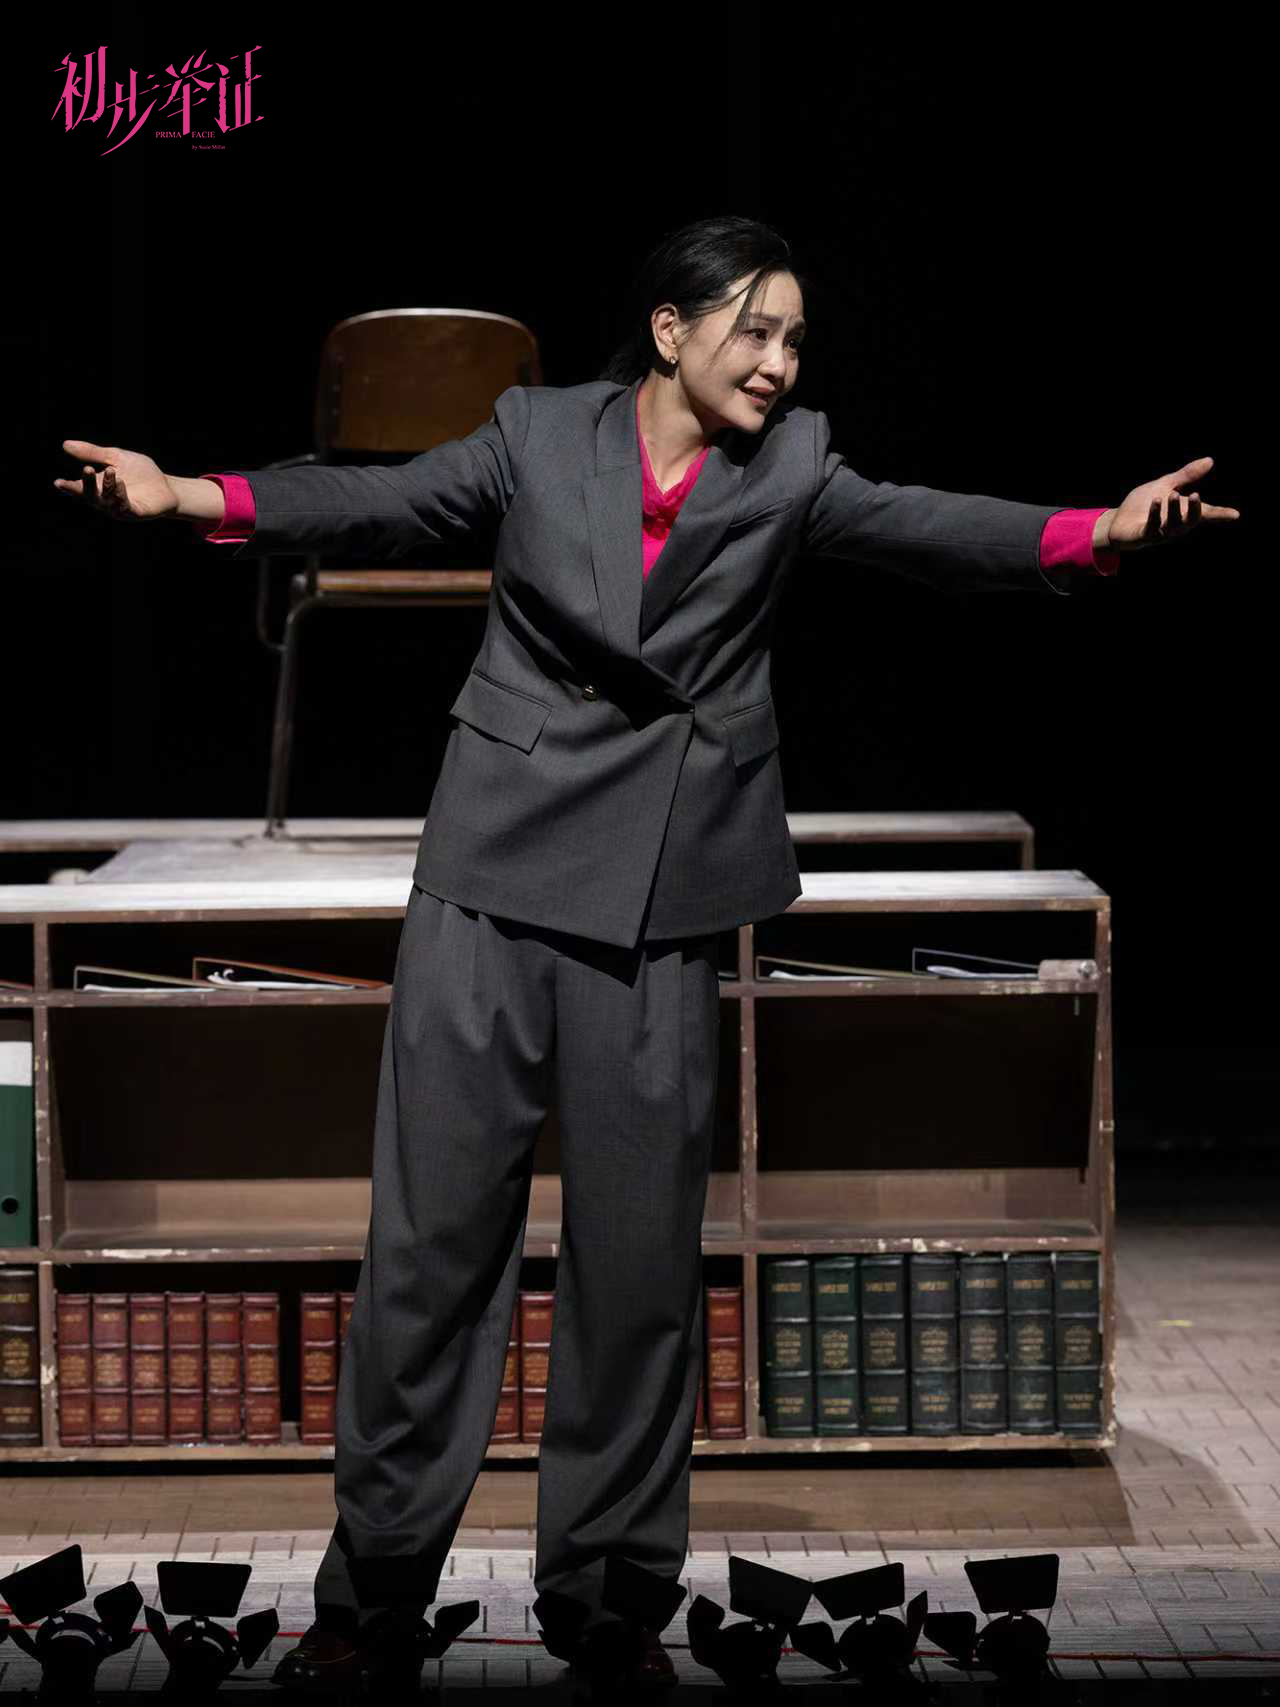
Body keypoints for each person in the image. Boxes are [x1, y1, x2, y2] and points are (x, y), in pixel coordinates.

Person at [53, 214, 1239, 1696]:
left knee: (637, 1270)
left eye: (796, 339)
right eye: (755, 330)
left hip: (664, 891)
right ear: (671, 332)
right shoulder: (539, 437)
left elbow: (931, 529)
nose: (780, 362)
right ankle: (375, 1599)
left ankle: (611, 1601)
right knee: (430, 1256)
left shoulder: (790, 468)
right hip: (492, 877)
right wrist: (190, 496)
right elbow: (379, 503)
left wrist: (1099, 533)